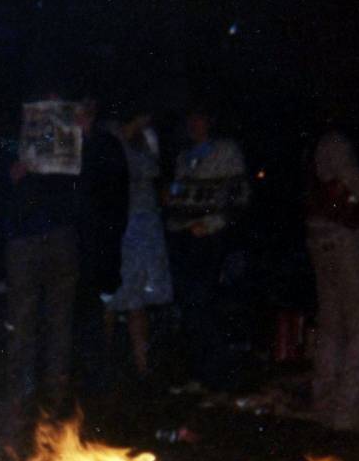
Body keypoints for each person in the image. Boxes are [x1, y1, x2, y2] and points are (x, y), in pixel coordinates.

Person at [6, 88, 83, 422]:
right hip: (23, 237)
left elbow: (85, 177)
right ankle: (24, 388)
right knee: (23, 317)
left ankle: (56, 390)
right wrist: (13, 172)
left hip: (61, 235)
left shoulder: (73, 130)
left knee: (59, 317)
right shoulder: (15, 135)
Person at [164, 103, 250, 390]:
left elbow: (238, 195)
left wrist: (212, 224)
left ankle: (214, 375)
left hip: (210, 238)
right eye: (191, 117)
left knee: (204, 305)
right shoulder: (184, 157)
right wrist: (171, 201)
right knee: (190, 307)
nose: (194, 123)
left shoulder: (226, 151)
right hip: (184, 237)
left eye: (199, 117)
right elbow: (179, 192)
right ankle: (196, 374)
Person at [305, 126, 359, 431]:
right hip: (343, 238)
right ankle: (348, 411)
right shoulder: (337, 141)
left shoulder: (313, 144)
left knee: (331, 324)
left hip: (318, 236)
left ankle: (324, 405)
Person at [106, 107, 172, 379]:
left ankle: (141, 365)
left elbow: (156, 172)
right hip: (118, 225)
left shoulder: (147, 138)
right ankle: (105, 361)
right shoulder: (111, 133)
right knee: (110, 297)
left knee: (138, 300)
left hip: (146, 224)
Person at [73, 96, 129, 392]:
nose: (79, 118)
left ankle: (98, 375)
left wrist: (111, 235)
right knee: (76, 308)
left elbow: (118, 195)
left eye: (83, 113)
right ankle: (82, 374)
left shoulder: (106, 145)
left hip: (99, 241)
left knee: (96, 307)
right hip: (72, 241)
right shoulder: (66, 146)